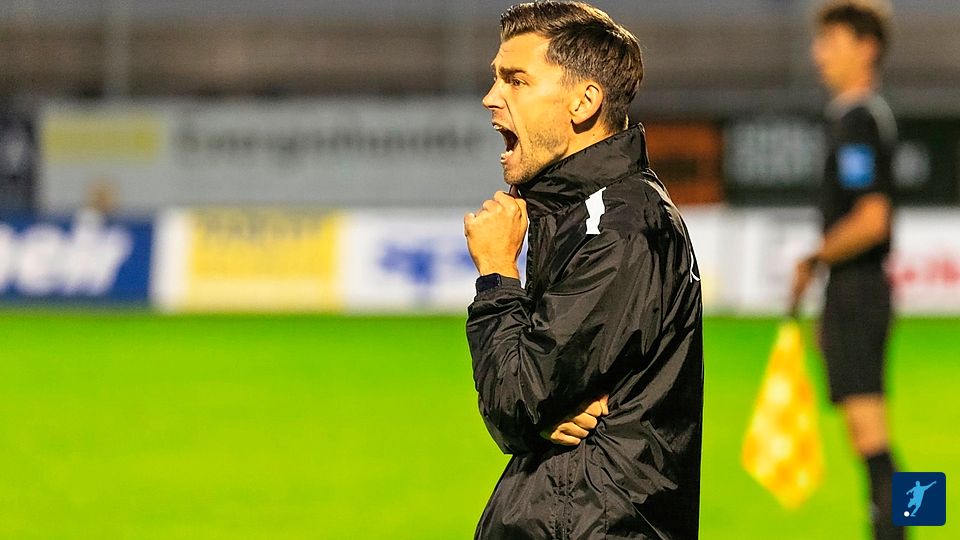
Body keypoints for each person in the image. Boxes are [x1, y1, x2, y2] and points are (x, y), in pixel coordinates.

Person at [463, 2, 703, 538]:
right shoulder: (577, 213)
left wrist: (497, 275)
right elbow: (530, 399)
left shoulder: (619, 225)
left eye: (516, 80)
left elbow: (515, 399)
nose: (491, 97)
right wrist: (540, 411)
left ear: (584, 101)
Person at [790, 2, 901, 539]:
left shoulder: (860, 120)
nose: (819, 55)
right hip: (852, 290)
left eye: (831, 42)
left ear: (866, 48)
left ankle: (906, 527)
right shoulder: (853, 117)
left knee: (872, 434)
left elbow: (873, 219)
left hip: (859, 289)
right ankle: (907, 525)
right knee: (870, 436)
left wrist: (815, 259)